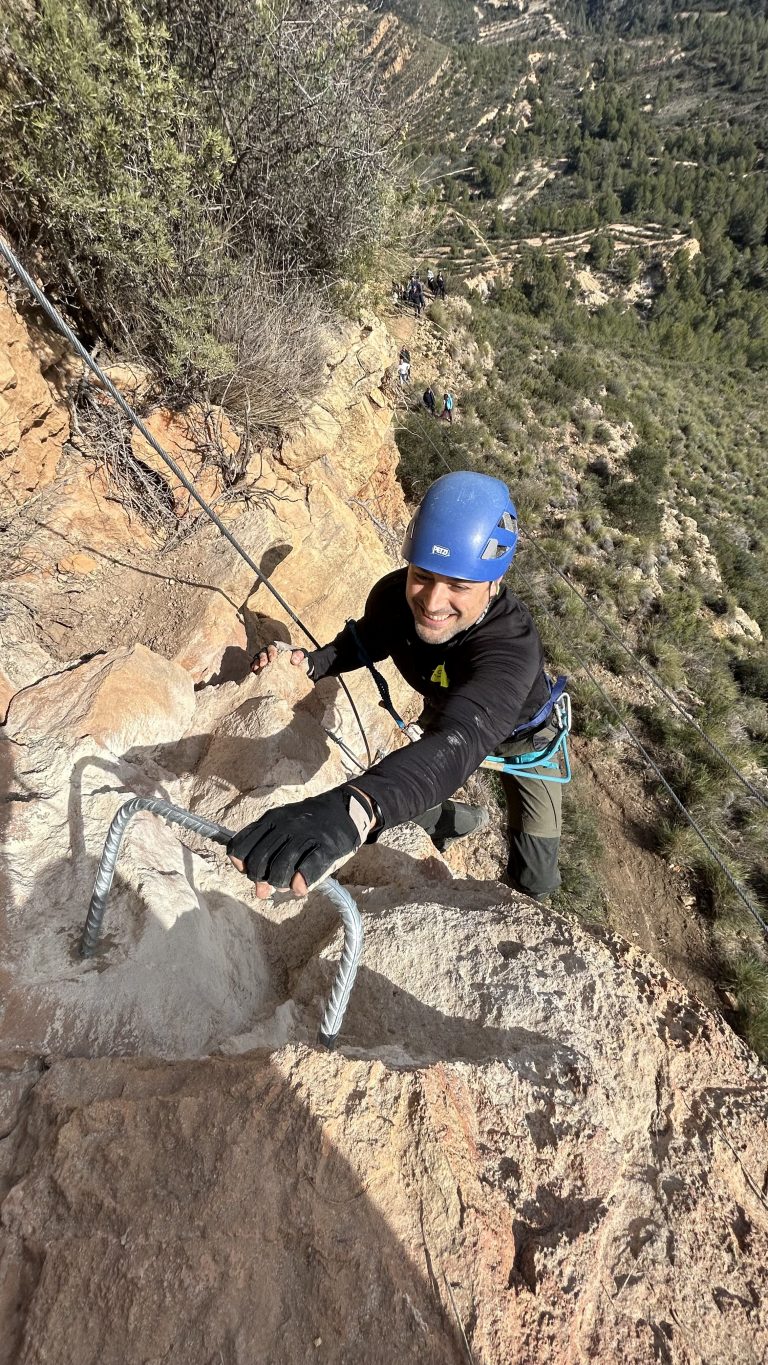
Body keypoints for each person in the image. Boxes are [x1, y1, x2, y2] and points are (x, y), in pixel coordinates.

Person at [229, 471, 562, 904]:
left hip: (523, 740)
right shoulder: (392, 598)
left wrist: (354, 807)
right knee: (407, 791)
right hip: (447, 712)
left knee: (535, 875)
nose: (432, 602)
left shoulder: (511, 648)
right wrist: (314, 663)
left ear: (494, 582)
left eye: (458, 586)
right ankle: (455, 821)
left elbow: (461, 739)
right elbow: (367, 640)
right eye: (422, 575)